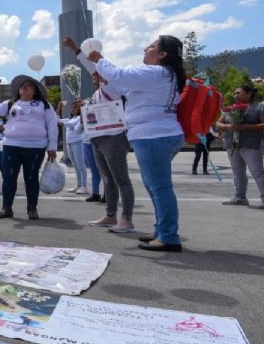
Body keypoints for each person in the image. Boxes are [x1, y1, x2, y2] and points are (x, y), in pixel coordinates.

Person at [88, 35, 186, 251]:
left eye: (151, 46)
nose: (145, 49)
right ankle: (161, 230)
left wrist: (100, 59)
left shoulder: (157, 72)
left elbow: (119, 74)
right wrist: (106, 81)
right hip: (157, 135)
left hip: (153, 136)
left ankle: (168, 236)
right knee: (155, 186)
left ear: (162, 54)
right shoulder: (163, 75)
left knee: (160, 187)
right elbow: (122, 87)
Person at [65, 37, 138, 233]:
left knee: (121, 179)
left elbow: (93, 67)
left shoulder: (113, 86)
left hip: (114, 139)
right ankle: (110, 214)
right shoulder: (97, 94)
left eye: (97, 73)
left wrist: (77, 50)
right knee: (107, 179)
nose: (94, 76)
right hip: (97, 140)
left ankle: (127, 219)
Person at [0, 76, 58, 220]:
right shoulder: (11, 103)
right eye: (22, 86)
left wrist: (52, 147)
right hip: (11, 145)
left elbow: (52, 125)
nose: (24, 88)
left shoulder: (44, 105)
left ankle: (32, 208)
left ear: (35, 91)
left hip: (35, 146)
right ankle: (7, 208)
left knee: (31, 178)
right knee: (8, 177)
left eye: (28, 86)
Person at [217, 84, 264, 209]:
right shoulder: (231, 108)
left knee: (257, 171)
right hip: (232, 144)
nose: (235, 95)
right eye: (235, 93)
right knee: (237, 172)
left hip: (251, 144)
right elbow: (218, 123)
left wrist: (244, 127)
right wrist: (228, 127)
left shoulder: (259, 107)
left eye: (238, 93)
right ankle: (240, 197)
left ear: (249, 94)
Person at [59, 101, 88, 194]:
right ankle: (79, 185)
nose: (72, 109)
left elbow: (70, 124)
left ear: (79, 109)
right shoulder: (71, 118)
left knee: (80, 165)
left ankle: (84, 186)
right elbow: (58, 121)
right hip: (69, 143)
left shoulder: (80, 118)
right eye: (72, 107)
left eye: (75, 107)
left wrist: (63, 122)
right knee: (75, 166)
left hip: (78, 143)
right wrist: (58, 109)